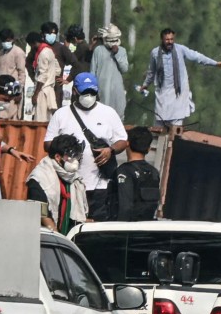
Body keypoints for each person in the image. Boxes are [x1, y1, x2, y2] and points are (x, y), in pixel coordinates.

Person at [45, 72, 128, 221]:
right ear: (75, 91)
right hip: (69, 183)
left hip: (99, 185)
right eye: (85, 92)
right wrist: (66, 150)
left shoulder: (108, 113)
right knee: (70, 223)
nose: (88, 95)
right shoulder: (61, 114)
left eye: (92, 92)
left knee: (97, 228)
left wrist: (110, 150)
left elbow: (122, 140)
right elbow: (47, 143)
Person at [140, 28, 221, 127]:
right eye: (167, 40)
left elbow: (197, 57)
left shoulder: (180, 49)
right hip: (163, 94)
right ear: (162, 39)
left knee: (175, 127)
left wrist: (215, 63)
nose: (170, 42)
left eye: (172, 39)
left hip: (178, 93)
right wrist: (145, 85)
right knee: (159, 124)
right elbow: (151, 72)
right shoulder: (155, 53)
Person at [26, 134, 87, 233]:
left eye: (77, 157)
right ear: (58, 157)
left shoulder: (75, 178)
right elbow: (41, 212)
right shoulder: (40, 178)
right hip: (44, 236)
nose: (75, 161)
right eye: (71, 157)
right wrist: (56, 235)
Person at [112, 127, 162, 221]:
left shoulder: (124, 171)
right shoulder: (154, 172)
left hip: (127, 230)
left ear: (127, 144)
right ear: (148, 149)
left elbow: (125, 206)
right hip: (146, 228)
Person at [90, 24, 129, 120]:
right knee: (101, 115)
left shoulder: (122, 51)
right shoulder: (98, 50)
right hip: (102, 89)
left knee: (118, 115)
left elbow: (125, 69)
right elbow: (92, 71)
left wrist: (117, 54)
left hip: (117, 90)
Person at [28, 31, 60, 122]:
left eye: (31, 45)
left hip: (42, 90)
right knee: (50, 120)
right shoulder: (49, 50)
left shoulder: (43, 53)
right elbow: (57, 70)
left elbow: (42, 75)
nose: (32, 48)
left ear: (33, 43)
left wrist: (35, 94)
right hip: (49, 89)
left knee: (40, 120)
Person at [41, 21, 75, 107]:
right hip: (41, 86)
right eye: (49, 33)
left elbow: (76, 63)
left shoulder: (61, 48)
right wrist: (33, 74)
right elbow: (29, 63)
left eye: (54, 33)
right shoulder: (39, 47)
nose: (52, 35)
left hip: (56, 88)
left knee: (55, 112)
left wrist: (68, 79)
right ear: (43, 33)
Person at [0, 28, 27, 120]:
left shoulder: (18, 53)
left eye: (8, 40)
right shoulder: (0, 53)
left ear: (12, 39)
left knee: (13, 117)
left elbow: (21, 73)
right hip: (1, 91)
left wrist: (19, 92)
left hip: (13, 90)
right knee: (0, 116)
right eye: (3, 40)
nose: (6, 42)